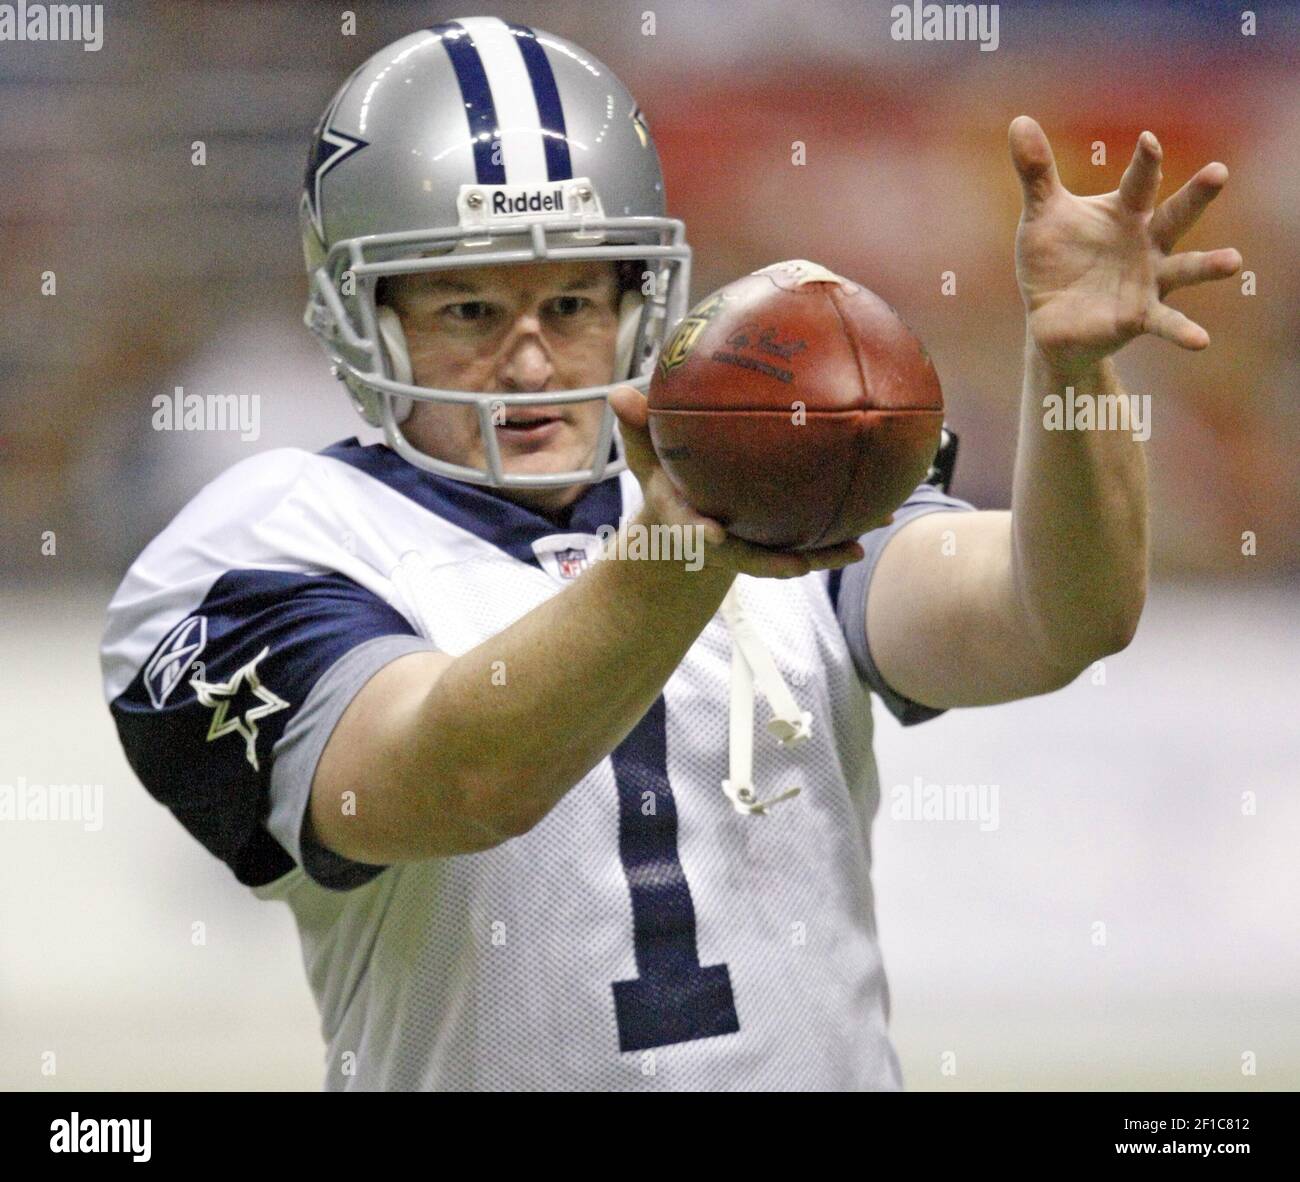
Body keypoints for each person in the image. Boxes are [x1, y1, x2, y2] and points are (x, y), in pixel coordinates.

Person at [100, 18, 1239, 1090]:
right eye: (467, 313)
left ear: (641, 298)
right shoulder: (265, 545)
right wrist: (680, 551)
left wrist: (1078, 378)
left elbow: (1054, 616)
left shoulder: (760, 476)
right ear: (366, 316)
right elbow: (458, 780)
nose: (534, 364)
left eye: (568, 300)